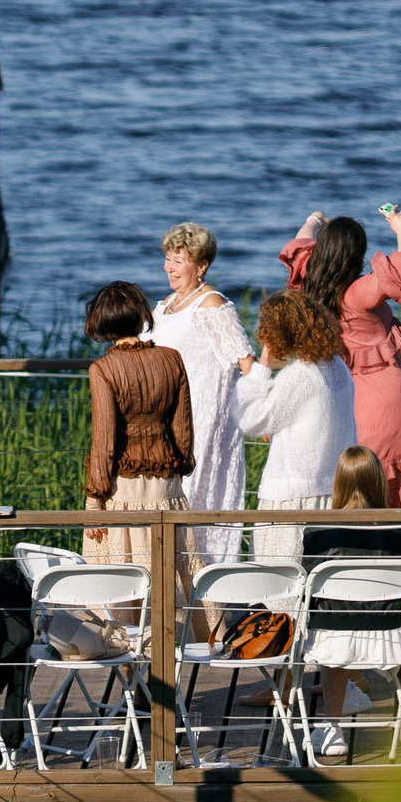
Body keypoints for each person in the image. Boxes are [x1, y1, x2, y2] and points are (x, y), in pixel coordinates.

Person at [283, 209, 401, 548]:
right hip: (387, 401)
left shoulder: (312, 287)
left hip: (346, 401)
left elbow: (300, 246)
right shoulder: (360, 292)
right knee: (398, 489)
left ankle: (354, 564)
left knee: (359, 483)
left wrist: (315, 220)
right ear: (357, 257)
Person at [289, 447, 401, 759]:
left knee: (334, 635)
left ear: (339, 484)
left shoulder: (319, 532)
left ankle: (332, 729)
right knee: (349, 633)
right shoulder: (400, 531)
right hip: (388, 638)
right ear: (378, 482)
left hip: (334, 641)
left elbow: (309, 591)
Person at [80, 283, 195, 583]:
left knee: (125, 584)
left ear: (102, 322)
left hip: (124, 494)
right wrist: (179, 469)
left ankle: (131, 632)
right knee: (173, 577)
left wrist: (94, 501)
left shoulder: (103, 368)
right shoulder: (172, 359)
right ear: (139, 316)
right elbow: (183, 428)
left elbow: (104, 440)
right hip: (168, 490)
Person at [153, 223, 254, 563]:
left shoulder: (211, 304)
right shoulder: (167, 304)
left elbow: (246, 362)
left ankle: (207, 594)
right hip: (167, 423)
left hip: (203, 424)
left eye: (178, 260)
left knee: (197, 506)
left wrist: (260, 414)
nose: (169, 267)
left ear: (201, 265)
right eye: (168, 258)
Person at [236, 292, 356, 561]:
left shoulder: (299, 375)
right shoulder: (337, 366)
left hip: (292, 498)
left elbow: (250, 419)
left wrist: (263, 364)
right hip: (333, 491)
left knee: (279, 587)